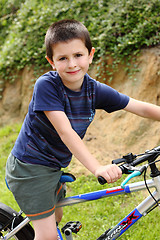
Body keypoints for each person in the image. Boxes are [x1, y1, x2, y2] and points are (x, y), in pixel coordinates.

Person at [5, 19, 160, 240]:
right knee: (47, 235)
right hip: (30, 168)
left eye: (78, 55)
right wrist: (96, 167)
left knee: (55, 217)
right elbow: (65, 132)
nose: (72, 64)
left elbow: (140, 107)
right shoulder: (47, 86)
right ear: (51, 61)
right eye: (63, 58)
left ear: (90, 54)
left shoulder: (93, 90)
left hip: (54, 166)